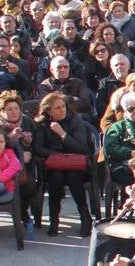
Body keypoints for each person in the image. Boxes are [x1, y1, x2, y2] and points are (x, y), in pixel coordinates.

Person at [34, 92, 94, 238]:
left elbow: (81, 148)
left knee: (73, 177)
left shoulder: (76, 121)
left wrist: (63, 135)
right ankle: (54, 219)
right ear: (49, 111)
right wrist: (58, 154)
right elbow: (38, 148)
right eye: (57, 108)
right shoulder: (42, 125)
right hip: (55, 166)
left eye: (63, 106)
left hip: (76, 166)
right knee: (56, 177)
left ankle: (85, 217)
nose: (62, 110)